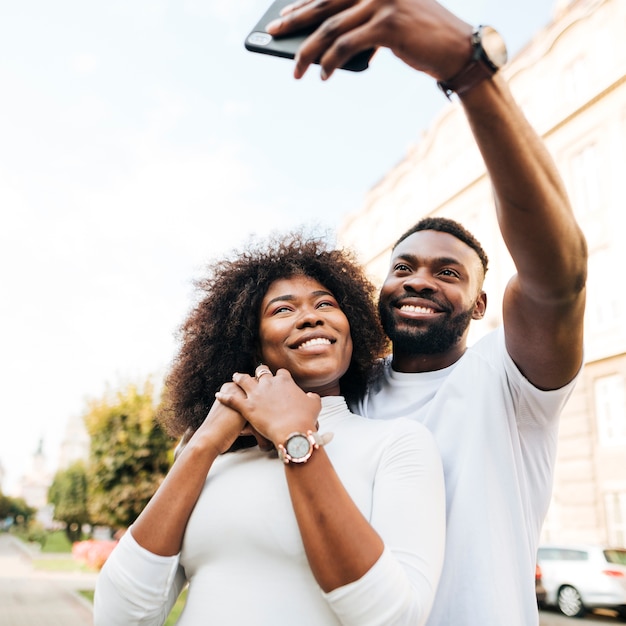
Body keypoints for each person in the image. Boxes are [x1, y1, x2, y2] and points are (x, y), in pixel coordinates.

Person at [265, 1, 588, 625]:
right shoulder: (340, 390)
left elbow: (561, 276)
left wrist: (470, 73)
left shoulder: (508, 381)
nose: (419, 281)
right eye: (404, 266)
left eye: (449, 272)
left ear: (481, 303)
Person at [93, 231, 446, 626]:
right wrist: (201, 446)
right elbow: (119, 617)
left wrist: (294, 437)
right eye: (282, 310)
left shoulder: (396, 445)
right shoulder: (208, 458)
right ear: (250, 342)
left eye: (325, 304)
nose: (310, 316)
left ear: (352, 330)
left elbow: (395, 618)